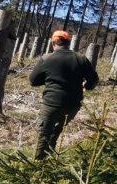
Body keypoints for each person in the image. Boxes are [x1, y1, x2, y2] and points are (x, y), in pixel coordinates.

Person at [29, 30, 99, 160]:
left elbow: (33, 81)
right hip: (73, 105)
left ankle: (38, 164)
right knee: (56, 131)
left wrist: (49, 80)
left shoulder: (47, 58)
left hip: (51, 103)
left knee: (44, 134)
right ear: (68, 43)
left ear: (54, 42)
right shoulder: (81, 59)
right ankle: (50, 160)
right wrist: (86, 87)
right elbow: (94, 80)